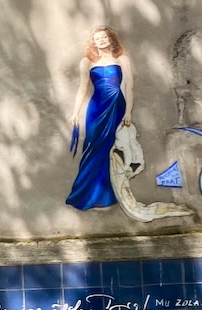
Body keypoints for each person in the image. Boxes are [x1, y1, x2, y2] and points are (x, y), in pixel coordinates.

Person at [66, 26, 134, 210]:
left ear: (110, 39)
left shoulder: (122, 59)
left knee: (110, 148)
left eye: (104, 37)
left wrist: (128, 111)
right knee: (93, 147)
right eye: (97, 39)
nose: (101, 40)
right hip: (96, 108)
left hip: (116, 106)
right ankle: (85, 193)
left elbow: (129, 86)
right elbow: (82, 88)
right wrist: (75, 112)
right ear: (93, 43)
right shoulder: (87, 62)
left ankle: (107, 195)